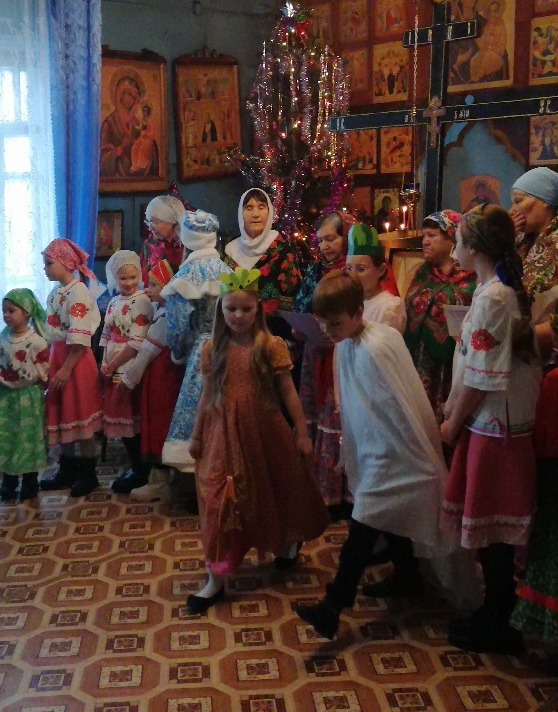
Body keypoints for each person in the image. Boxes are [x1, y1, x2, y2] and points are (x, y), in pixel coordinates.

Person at [293, 270, 450, 641]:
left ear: (358, 312)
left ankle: (333, 606)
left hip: (395, 452)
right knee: (382, 516)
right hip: (376, 450)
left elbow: (398, 405)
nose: (328, 331)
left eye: (335, 323)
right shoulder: (347, 343)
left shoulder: (378, 346)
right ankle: (408, 574)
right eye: (322, 323)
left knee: (362, 525)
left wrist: (403, 449)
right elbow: (358, 406)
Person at [185, 266, 328, 613]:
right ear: (221, 309)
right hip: (222, 432)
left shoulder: (270, 346)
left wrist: (302, 432)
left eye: (246, 309)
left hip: (264, 430)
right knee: (220, 498)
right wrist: (197, 434)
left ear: (258, 309)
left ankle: (287, 542)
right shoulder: (212, 349)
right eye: (231, 308)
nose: (238, 315)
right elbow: (206, 395)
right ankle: (216, 576)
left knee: (275, 487)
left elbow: (289, 392)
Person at [440, 206, 541, 653]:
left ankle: (499, 617)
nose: (454, 250)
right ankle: (495, 609)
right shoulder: (491, 291)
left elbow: (482, 378)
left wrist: (452, 422)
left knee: (494, 531)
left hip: (495, 427)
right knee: (491, 529)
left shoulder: (492, 298)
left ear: (475, 248)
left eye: (458, 241)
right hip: (494, 423)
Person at [509, 168, 558, 646]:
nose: (516, 210)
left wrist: (526, 336)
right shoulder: (524, 245)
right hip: (527, 366)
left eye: (522, 200)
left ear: (545, 202)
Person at [162, 210, 228, 471]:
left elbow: (177, 326)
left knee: (197, 413)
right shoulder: (226, 270)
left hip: (202, 351)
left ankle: (198, 481)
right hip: (230, 348)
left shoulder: (186, 275)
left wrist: (178, 353)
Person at [293, 212, 348, 511]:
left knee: (335, 415)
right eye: (321, 241)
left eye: (331, 239)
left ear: (345, 238)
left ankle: (338, 494)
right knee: (315, 412)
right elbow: (302, 304)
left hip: (340, 353)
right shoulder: (315, 270)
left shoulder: (351, 270)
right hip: (314, 351)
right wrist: (298, 327)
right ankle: (315, 486)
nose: (325, 246)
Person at [42, 238, 104, 498]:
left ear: (66, 263)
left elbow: (79, 339)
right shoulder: (56, 292)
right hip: (58, 356)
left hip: (75, 362)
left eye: (49, 263)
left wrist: (65, 370)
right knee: (62, 416)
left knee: (81, 416)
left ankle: (88, 474)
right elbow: (50, 331)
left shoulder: (78, 292)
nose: (45, 268)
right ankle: (67, 469)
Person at [119, 259, 184, 504]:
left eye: (155, 285)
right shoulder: (164, 311)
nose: (149, 289)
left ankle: (159, 482)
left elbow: (146, 352)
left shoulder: (165, 318)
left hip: (161, 380)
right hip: (160, 378)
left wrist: (128, 380)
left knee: (159, 426)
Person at [404, 211, 476, 424]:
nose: (425, 241)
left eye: (432, 235)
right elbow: (410, 308)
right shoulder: (422, 273)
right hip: (422, 359)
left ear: (451, 237)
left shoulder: (471, 275)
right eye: (423, 236)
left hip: (456, 358)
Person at [0, 289, 50, 503]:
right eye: (4, 311)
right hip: (5, 396)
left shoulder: (36, 341)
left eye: (11, 310)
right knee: (8, 435)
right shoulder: (3, 336)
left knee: (28, 436)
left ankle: (30, 480)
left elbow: (43, 368)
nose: (6, 315)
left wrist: (38, 383)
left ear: (26, 312)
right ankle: (9, 480)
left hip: (27, 396)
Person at [100, 250, 154, 493]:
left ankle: (141, 469)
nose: (129, 283)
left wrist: (113, 364)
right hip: (113, 363)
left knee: (131, 419)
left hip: (129, 366)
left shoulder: (141, 302)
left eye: (133, 277)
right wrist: (104, 361)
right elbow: (106, 333)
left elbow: (136, 342)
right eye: (123, 278)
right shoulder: (114, 302)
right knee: (121, 418)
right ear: (115, 278)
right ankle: (135, 465)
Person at [223, 188, 303, 324]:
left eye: (261, 207)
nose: (255, 214)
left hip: (274, 330)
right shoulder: (229, 251)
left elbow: (294, 300)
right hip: (236, 327)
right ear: (241, 213)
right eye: (249, 208)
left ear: (269, 212)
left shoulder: (282, 250)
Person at [509, 166, 558, 357]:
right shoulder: (520, 241)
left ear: (545, 200)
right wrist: (505, 237)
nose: (512, 211)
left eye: (518, 201)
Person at [345, 222, 406, 332]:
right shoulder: (350, 302)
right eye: (349, 268)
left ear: (381, 270)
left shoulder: (389, 307)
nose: (353, 276)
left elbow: (386, 342)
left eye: (361, 269)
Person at [100, 76, 142, 180]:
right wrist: (121, 147)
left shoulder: (137, 123)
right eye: (129, 94)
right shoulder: (109, 123)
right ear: (120, 94)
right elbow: (102, 160)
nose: (131, 100)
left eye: (134, 97)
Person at [139, 195, 185, 283]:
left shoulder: (188, 245)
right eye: (148, 222)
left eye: (154, 222)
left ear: (171, 220)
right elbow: (143, 280)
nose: (150, 228)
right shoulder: (150, 245)